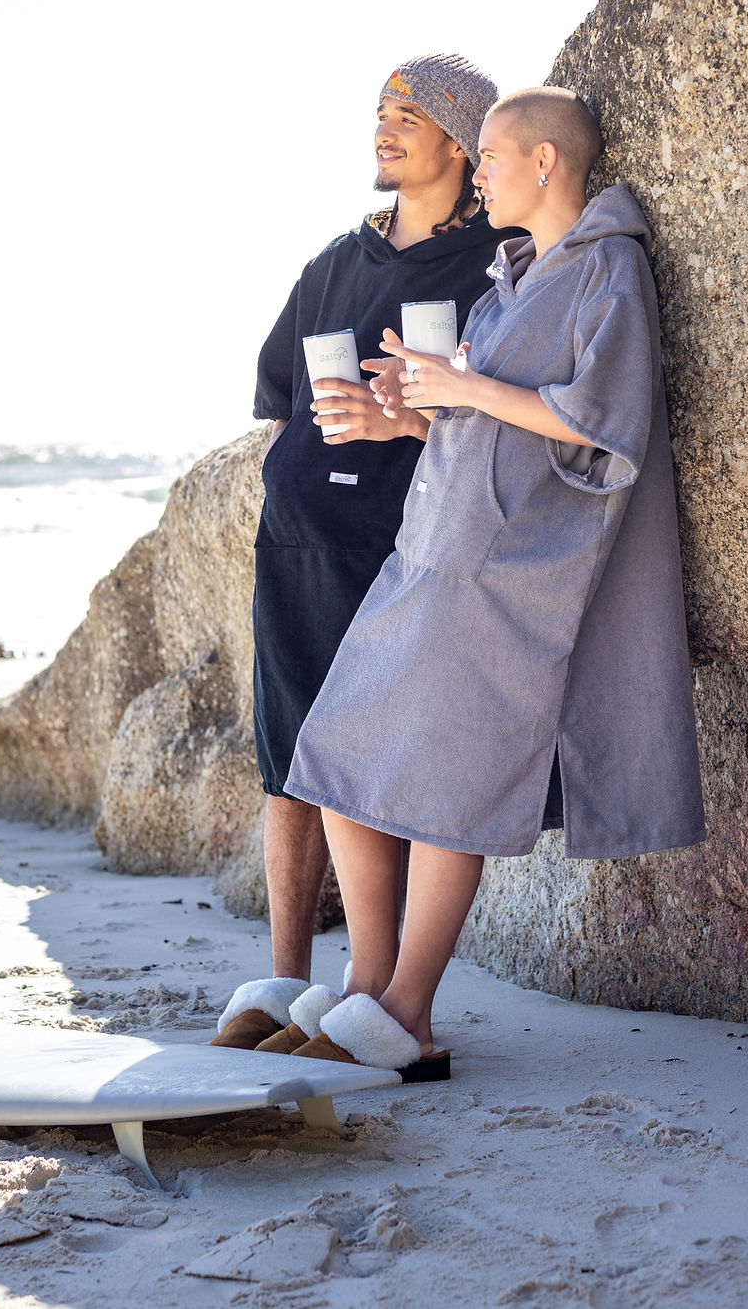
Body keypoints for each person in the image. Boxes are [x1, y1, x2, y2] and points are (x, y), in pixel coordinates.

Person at [273, 86, 706, 1077]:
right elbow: (486, 420)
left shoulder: (609, 272)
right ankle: (364, 991)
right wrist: (406, 415)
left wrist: (464, 387)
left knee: (447, 787)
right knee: (339, 753)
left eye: (491, 160)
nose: (477, 178)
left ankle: (409, 1015)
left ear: (545, 162)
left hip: (511, 571)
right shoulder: (504, 281)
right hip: (429, 548)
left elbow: (607, 422)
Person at [209, 55, 522, 1052]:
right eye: (378, 113)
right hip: (296, 544)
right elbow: (280, 409)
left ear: (459, 145)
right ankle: (285, 983)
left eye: (407, 115)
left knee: (382, 762)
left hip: (408, 553)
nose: (383, 130)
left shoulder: (497, 267)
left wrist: (406, 425)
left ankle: (381, 996)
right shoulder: (331, 267)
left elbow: (510, 425)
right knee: (289, 761)